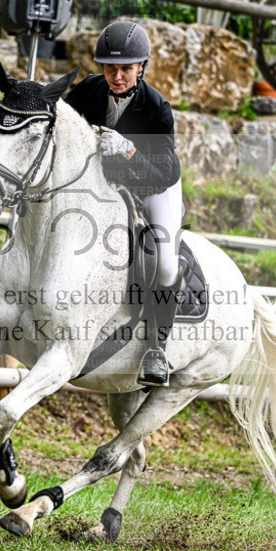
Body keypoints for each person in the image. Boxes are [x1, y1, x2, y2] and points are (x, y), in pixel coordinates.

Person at [64, 20, 183, 387]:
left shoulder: (157, 108)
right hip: (103, 181)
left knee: (164, 265)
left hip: (153, 186)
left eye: (125, 69)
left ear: (141, 67)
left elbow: (161, 174)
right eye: (110, 68)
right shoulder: (86, 91)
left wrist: (128, 149)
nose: (117, 76)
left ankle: (156, 349)